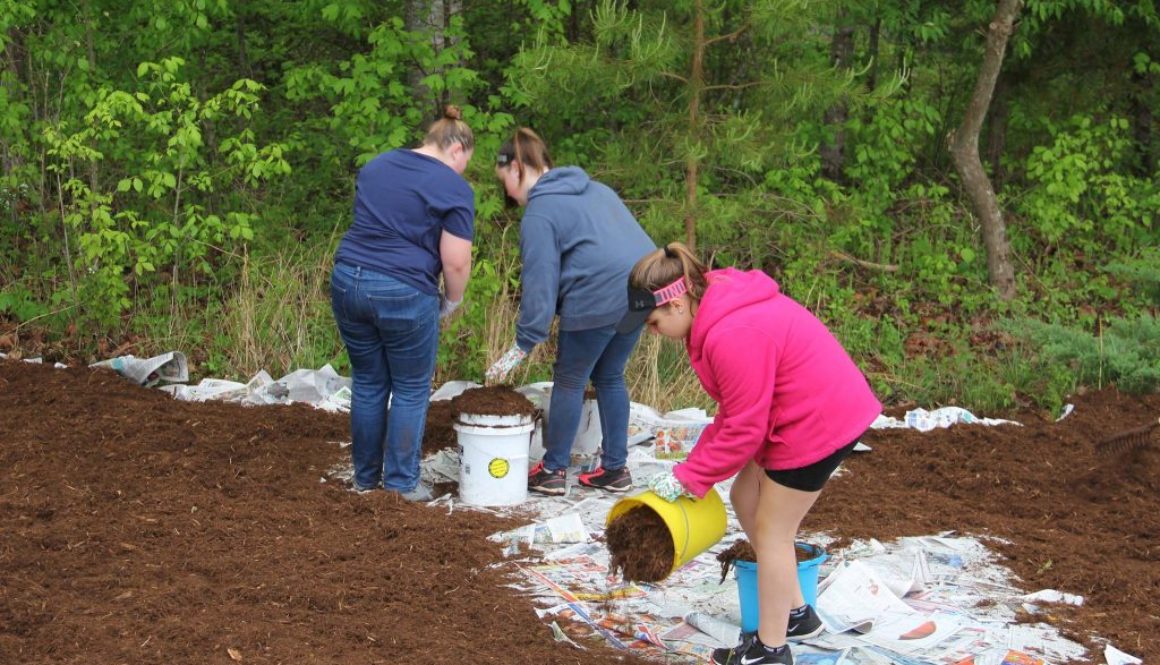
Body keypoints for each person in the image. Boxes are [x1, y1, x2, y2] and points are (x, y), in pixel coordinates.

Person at [617, 243, 881, 665]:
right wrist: (690, 470)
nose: (651, 333)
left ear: (678, 303)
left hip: (817, 419)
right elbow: (736, 412)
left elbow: (744, 428)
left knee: (774, 531)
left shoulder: (729, 333)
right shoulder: (713, 308)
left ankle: (770, 651)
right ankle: (796, 614)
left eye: (652, 322)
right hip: (798, 411)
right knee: (745, 496)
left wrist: (689, 478)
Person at [485, 127, 655, 496]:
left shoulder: (541, 213)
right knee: (609, 374)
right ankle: (615, 469)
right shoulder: (597, 189)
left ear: (517, 168)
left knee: (569, 379)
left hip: (598, 295)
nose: (510, 198)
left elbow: (541, 283)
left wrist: (523, 344)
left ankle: (552, 470)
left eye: (506, 185)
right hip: (642, 290)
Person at [330, 105, 475, 501]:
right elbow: (456, 260)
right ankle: (400, 486)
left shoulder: (377, 165)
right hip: (404, 290)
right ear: (458, 149)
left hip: (347, 279)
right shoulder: (453, 186)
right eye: (465, 162)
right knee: (410, 388)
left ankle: (364, 480)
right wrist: (452, 301)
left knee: (369, 381)